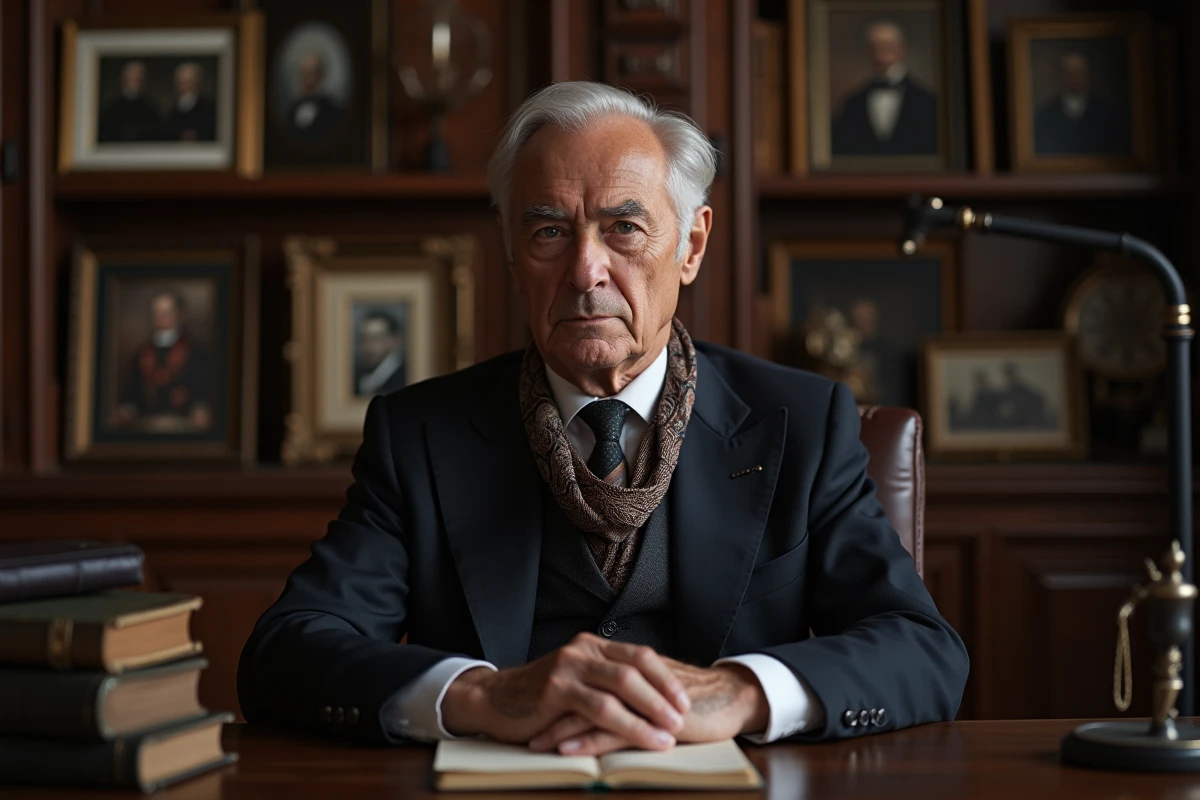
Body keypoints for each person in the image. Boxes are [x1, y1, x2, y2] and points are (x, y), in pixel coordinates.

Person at [239, 81, 967, 753]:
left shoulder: (802, 423)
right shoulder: (420, 435)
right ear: (512, 253)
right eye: (550, 232)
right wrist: (478, 694)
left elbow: (921, 648)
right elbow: (287, 651)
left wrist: (741, 692)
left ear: (691, 246)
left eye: (624, 228)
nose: (586, 270)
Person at [831, 20, 939, 156]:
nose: (881, 53)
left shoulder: (928, 101)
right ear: (868, 51)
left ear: (902, 49)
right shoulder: (853, 102)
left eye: (888, 46)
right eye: (875, 47)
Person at [111, 290, 211, 431]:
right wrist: (127, 409)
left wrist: (199, 409)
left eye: (165, 312)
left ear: (178, 315)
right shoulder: (141, 353)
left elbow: (202, 394)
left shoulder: (195, 352)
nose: (159, 317)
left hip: (183, 424)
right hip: (145, 423)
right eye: (156, 313)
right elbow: (131, 393)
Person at [1034, 51, 1131, 156]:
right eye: (1070, 73)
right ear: (1061, 76)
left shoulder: (1108, 111)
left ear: (1087, 74)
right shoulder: (1047, 113)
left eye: (1079, 72)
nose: (1075, 78)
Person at [285, 51, 345, 145]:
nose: (304, 80)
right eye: (302, 74)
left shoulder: (335, 112)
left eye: (309, 74)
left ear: (321, 75)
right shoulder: (292, 111)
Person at [97, 61, 163, 143]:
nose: (133, 85)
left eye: (138, 80)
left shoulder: (150, 108)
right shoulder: (111, 109)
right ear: (123, 80)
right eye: (131, 79)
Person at [355, 310, 407, 397]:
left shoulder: (404, 376)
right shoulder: (357, 375)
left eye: (376, 338)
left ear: (394, 340)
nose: (369, 346)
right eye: (364, 338)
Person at [165, 62, 216, 142]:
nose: (183, 87)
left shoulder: (207, 107)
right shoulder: (173, 110)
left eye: (187, 83)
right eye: (180, 83)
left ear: (197, 83)